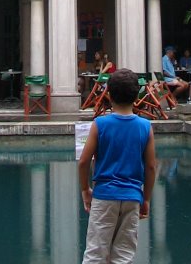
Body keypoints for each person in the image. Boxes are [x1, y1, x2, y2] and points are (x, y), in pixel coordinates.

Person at [78, 68, 157, 264]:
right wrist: (146, 198)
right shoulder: (145, 126)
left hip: (104, 195)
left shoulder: (100, 124)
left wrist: (85, 189)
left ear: (109, 94)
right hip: (132, 197)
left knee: (96, 254)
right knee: (123, 255)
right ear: (137, 96)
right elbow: (151, 167)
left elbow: (83, 162)